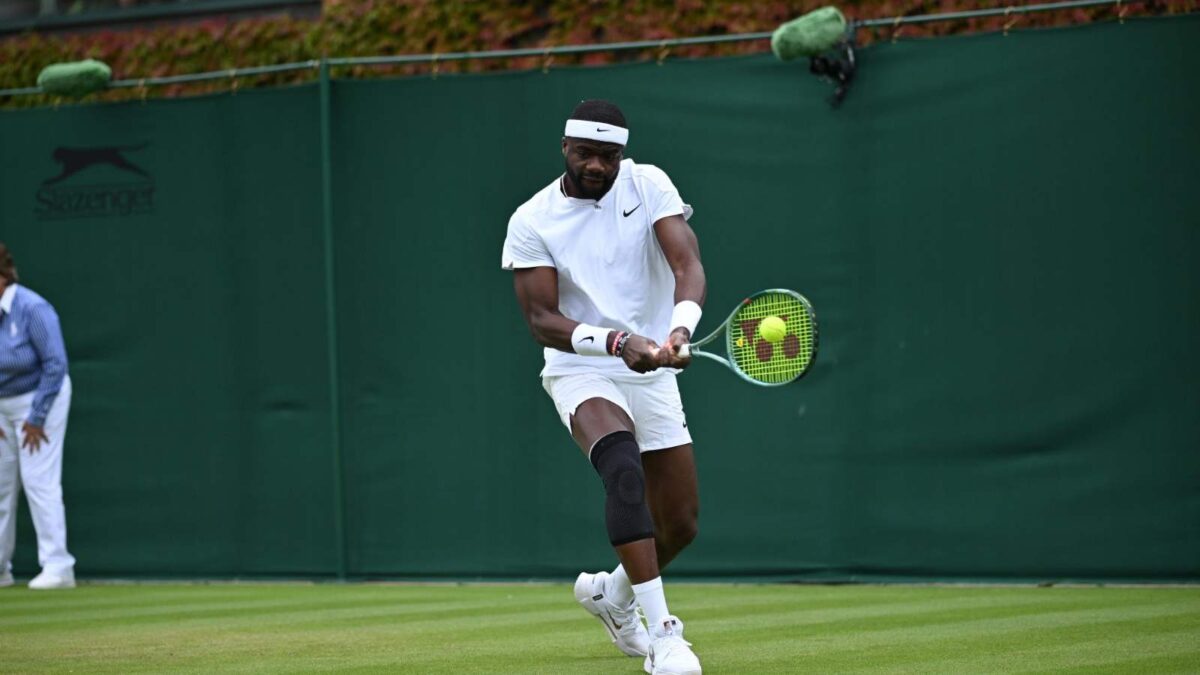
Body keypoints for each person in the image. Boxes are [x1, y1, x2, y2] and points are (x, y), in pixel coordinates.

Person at [502, 100, 705, 675]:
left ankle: (611, 595)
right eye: (585, 154)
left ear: (623, 152)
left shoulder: (648, 183)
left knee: (681, 524)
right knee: (622, 469)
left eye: (608, 155)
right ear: (565, 148)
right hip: (581, 365)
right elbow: (542, 319)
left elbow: (687, 263)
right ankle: (665, 635)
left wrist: (679, 327)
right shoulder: (532, 218)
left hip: (654, 365)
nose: (596, 165)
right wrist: (617, 343)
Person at [0, 242, 76, 590]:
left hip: (42, 398)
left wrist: (37, 417)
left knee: (38, 480)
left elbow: (55, 364)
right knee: (1, 485)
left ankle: (58, 567)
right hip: (2, 405)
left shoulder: (32, 307)